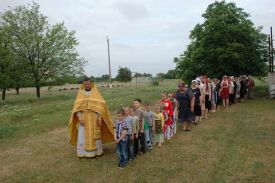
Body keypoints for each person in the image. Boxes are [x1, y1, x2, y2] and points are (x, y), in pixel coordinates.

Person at [68, 77, 114, 158]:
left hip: (94, 118)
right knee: (83, 135)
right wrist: (80, 118)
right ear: (83, 84)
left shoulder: (95, 93)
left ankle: (96, 152)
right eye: (85, 84)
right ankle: (83, 152)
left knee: (95, 134)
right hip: (84, 118)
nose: (86, 85)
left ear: (91, 83)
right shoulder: (80, 93)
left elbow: (101, 106)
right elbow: (77, 108)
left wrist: (99, 118)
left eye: (88, 83)